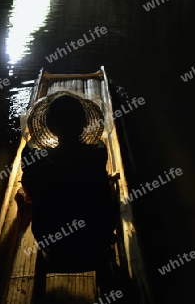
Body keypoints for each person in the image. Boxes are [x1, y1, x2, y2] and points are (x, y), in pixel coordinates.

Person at [20, 91, 118, 271]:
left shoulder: (32, 155)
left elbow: (30, 192)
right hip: (95, 237)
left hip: (49, 236)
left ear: (49, 125)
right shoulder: (97, 151)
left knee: (29, 185)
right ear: (83, 124)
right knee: (107, 186)